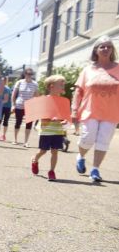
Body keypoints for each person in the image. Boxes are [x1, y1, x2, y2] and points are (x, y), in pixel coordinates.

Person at [72, 35, 119, 182]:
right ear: (96, 50)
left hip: (111, 112)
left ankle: (95, 169)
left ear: (112, 50)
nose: (106, 49)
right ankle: (80, 156)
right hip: (90, 110)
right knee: (87, 138)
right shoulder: (88, 70)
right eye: (102, 46)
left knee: (103, 141)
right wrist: (74, 110)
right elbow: (78, 91)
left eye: (109, 46)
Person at [31, 75, 67, 181]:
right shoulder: (44, 100)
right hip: (46, 131)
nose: (63, 87)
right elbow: (43, 119)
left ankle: (51, 171)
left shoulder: (63, 101)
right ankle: (35, 160)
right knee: (43, 151)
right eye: (61, 85)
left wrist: (65, 120)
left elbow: (64, 116)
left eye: (63, 85)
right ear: (52, 86)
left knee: (55, 151)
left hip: (58, 131)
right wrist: (53, 119)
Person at [12, 67, 39, 147]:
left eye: (30, 74)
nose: (28, 75)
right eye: (27, 74)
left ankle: (26, 141)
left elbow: (37, 95)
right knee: (18, 122)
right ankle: (15, 139)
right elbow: (14, 94)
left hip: (30, 106)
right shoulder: (19, 82)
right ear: (24, 74)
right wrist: (13, 105)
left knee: (29, 124)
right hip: (19, 105)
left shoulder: (35, 84)